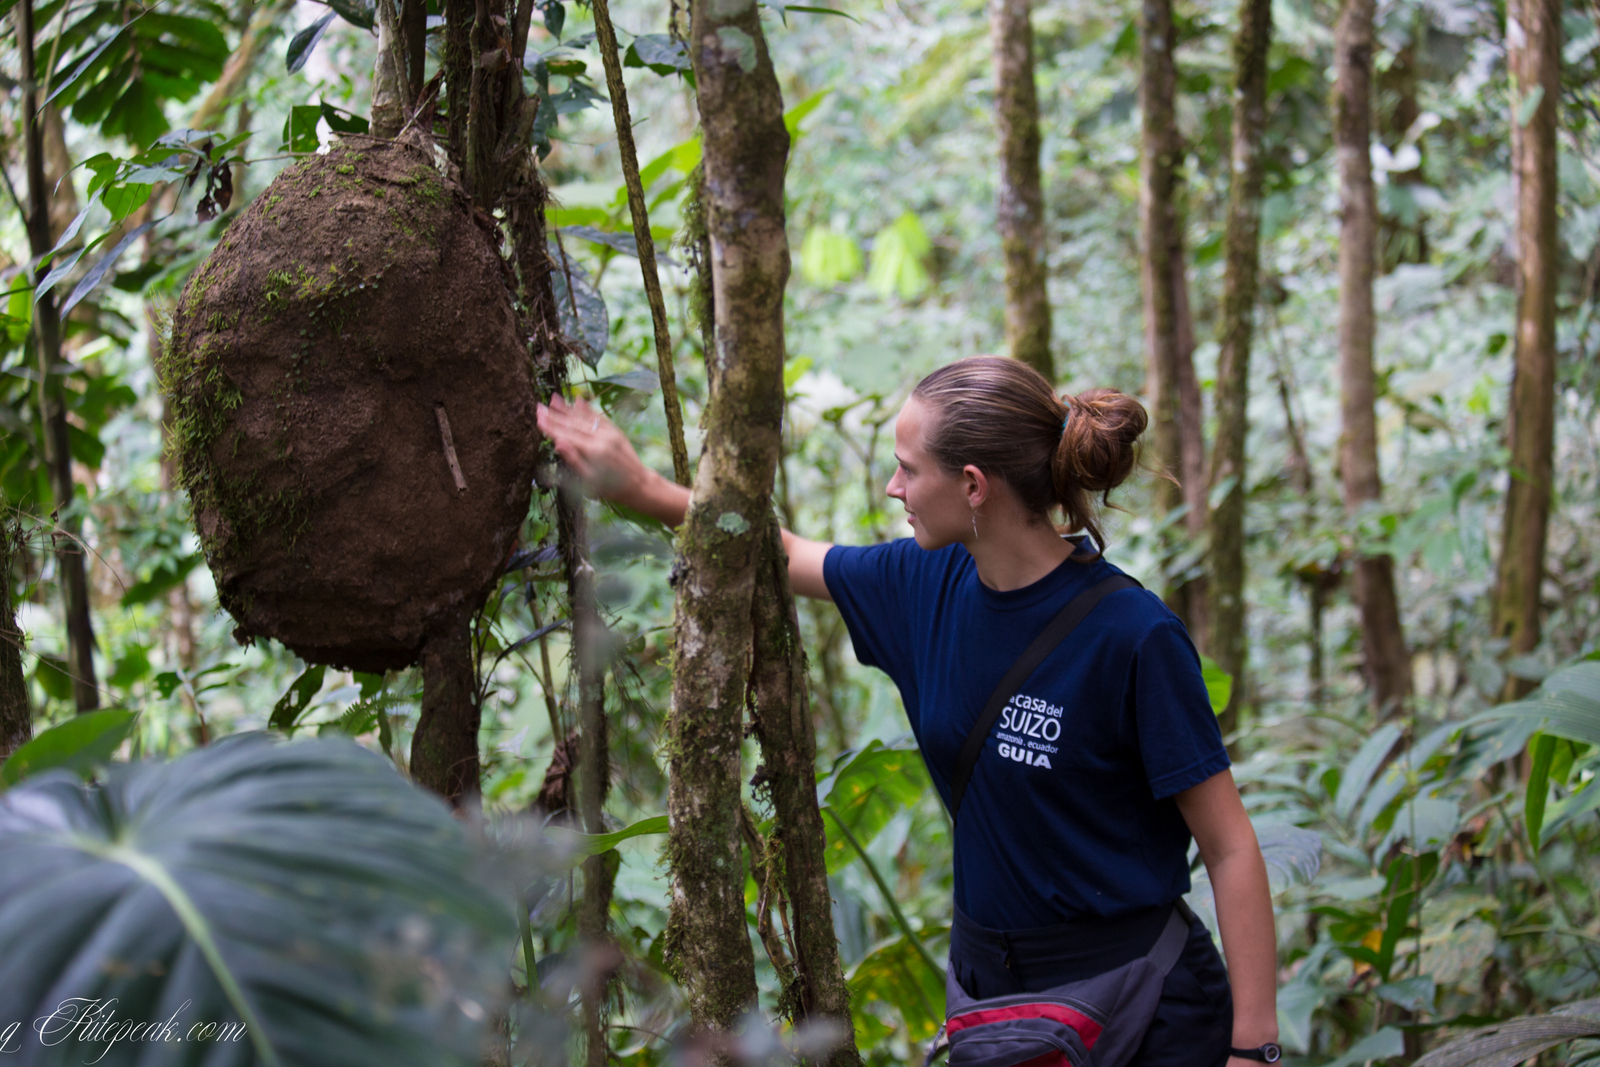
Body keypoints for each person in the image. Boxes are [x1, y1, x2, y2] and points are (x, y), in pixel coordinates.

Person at [536, 355, 1278, 1067]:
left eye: (908, 468)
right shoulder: (925, 582)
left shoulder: (1133, 635)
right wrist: (639, 488)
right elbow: (783, 551)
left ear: (975, 485)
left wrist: (1255, 1045)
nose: (894, 487)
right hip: (1002, 1007)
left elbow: (1229, 846)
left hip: (1144, 1008)